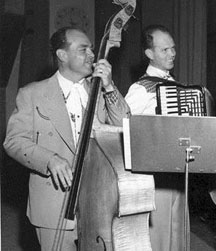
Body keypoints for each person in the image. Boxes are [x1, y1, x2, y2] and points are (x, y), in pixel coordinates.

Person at [3, 27, 130, 251]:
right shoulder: (31, 93)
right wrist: (49, 159)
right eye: (83, 49)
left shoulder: (100, 90)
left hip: (99, 199)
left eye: (92, 49)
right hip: (54, 203)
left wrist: (109, 86)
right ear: (62, 55)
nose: (92, 54)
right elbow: (14, 141)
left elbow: (127, 126)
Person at [125, 24, 188, 251]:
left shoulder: (173, 84)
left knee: (177, 236)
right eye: (164, 50)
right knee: (159, 237)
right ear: (149, 54)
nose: (171, 54)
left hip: (179, 171)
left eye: (173, 48)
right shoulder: (141, 89)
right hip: (156, 174)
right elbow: (125, 126)